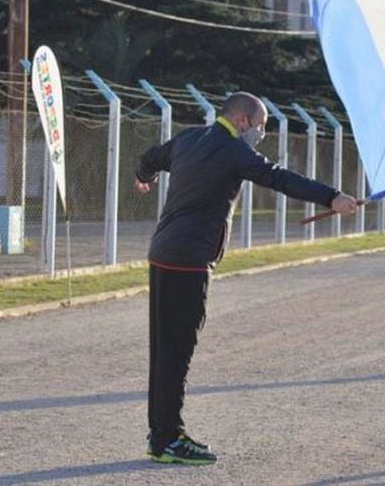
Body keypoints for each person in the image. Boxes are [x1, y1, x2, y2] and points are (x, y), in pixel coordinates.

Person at [133, 92, 358, 464]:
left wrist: (145, 176)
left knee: (164, 350)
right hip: (189, 261)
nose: (261, 135)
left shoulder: (190, 138)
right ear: (242, 121)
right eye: (261, 128)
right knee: (177, 352)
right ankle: (167, 438)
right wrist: (332, 197)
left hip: (163, 255)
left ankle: (161, 433)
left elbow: (151, 158)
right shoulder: (234, 151)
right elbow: (279, 178)